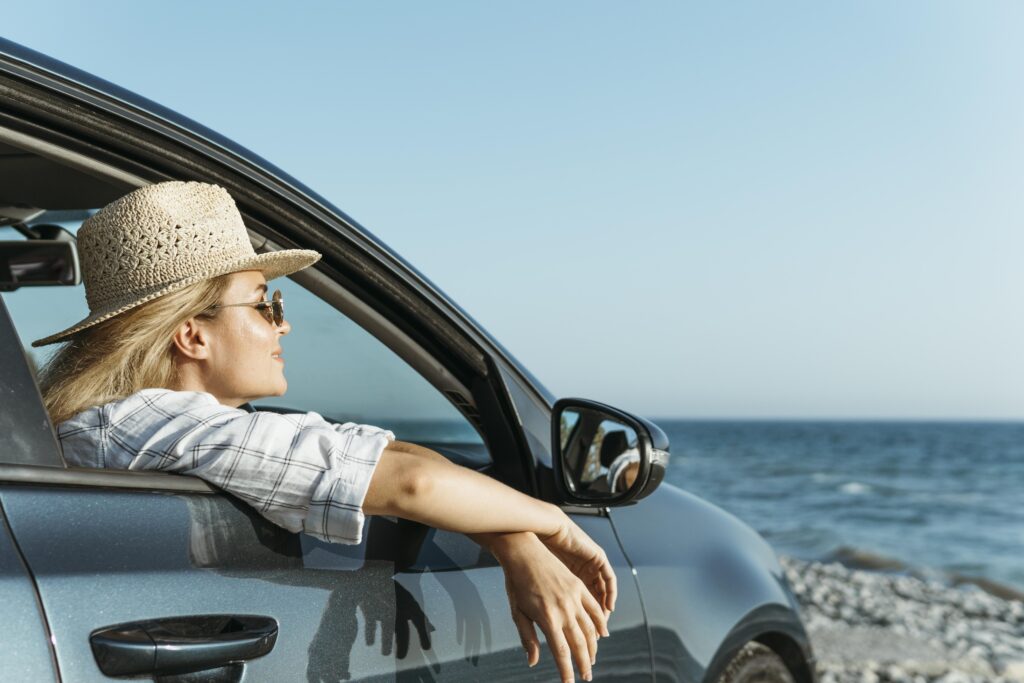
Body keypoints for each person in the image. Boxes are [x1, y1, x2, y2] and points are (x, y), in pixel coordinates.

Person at [33, 181, 615, 683]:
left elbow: (377, 455)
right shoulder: (159, 425)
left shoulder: (144, 424)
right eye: (264, 305)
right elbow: (409, 483)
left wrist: (507, 536)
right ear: (193, 336)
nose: (282, 326)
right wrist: (555, 523)